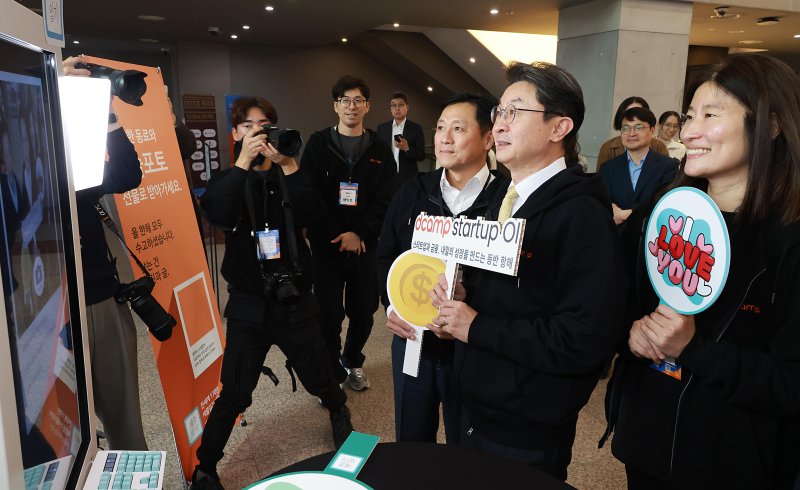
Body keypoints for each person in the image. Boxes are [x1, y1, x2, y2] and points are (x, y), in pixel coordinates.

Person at [603, 53, 800, 489]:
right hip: (645, 443)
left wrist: (694, 350)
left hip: (733, 464)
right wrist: (630, 333)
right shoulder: (660, 211)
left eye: (710, 115)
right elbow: (612, 297)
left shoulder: (787, 241)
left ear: (770, 126)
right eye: (690, 115)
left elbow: (790, 383)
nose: (689, 131)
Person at [429, 61, 627, 481]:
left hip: (526, 423)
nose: (499, 124)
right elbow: (514, 295)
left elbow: (583, 338)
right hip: (476, 403)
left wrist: (476, 327)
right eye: (499, 112)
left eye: (515, 112)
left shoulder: (581, 215)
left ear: (559, 128)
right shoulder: (508, 198)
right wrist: (464, 302)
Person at [192, 97, 353, 490]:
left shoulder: (289, 174)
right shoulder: (230, 179)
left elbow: (315, 216)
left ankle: (338, 410)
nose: (258, 132)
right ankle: (206, 467)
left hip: (294, 297)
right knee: (235, 391)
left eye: (265, 124)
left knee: (319, 372)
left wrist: (289, 165)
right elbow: (218, 214)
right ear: (235, 133)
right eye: (249, 126)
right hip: (249, 303)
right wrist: (244, 162)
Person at [376, 92, 508, 444]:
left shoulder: (507, 199)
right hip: (413, 341)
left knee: (466, 447)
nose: (444, 138)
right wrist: (392, 306)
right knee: (411, 441)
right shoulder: (413, 192)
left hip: (472, 349)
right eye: (440, 128)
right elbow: (385, 254)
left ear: (488, 138)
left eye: (458, 129)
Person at [64, 55, 149, 451]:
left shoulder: (73, 160)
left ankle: (129, 471)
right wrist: (44, 88)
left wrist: (107, 114)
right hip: (44, 311)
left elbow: (126, 175)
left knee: (124, 421)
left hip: (100, 295)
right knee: (61, 433)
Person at [300, 75, 396, 391]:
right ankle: (331, 371)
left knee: (364, 312)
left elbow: (386, 199)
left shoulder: (380, 149)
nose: (351, 106)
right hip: (327, 246)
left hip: (365, 247)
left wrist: (359, 233)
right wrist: (337, 234)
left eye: (358, 100)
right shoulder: (318, 144)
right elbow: (310, 195)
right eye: (345, 100)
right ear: (335, 106)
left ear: (367, 106)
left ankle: (352, 360)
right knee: (328, 315)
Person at [599, 107, 677, 227]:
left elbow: (663, 204)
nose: (631, 133)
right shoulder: (608, 168)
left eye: (639, 127)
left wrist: (626, 215)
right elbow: (602, 203)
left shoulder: (668, 166)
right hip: (616, 235)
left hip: (650, 234)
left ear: (652, 130)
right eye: (626, 128)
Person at [596, 96, 669, 169]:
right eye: (628, 114)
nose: (633, 117)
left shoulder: (658, 146)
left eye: (638, 113)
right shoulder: (608, 148)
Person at [377, 91, 426, 184]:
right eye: (393, 105)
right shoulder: (382, 128)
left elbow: (421, 156)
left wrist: (407, 148)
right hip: (386, 176)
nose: (397, 108)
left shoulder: (416, 128)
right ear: (390, 109)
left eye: (400, 105)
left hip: (408, 178)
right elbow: (378, 153)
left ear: (407, 107)